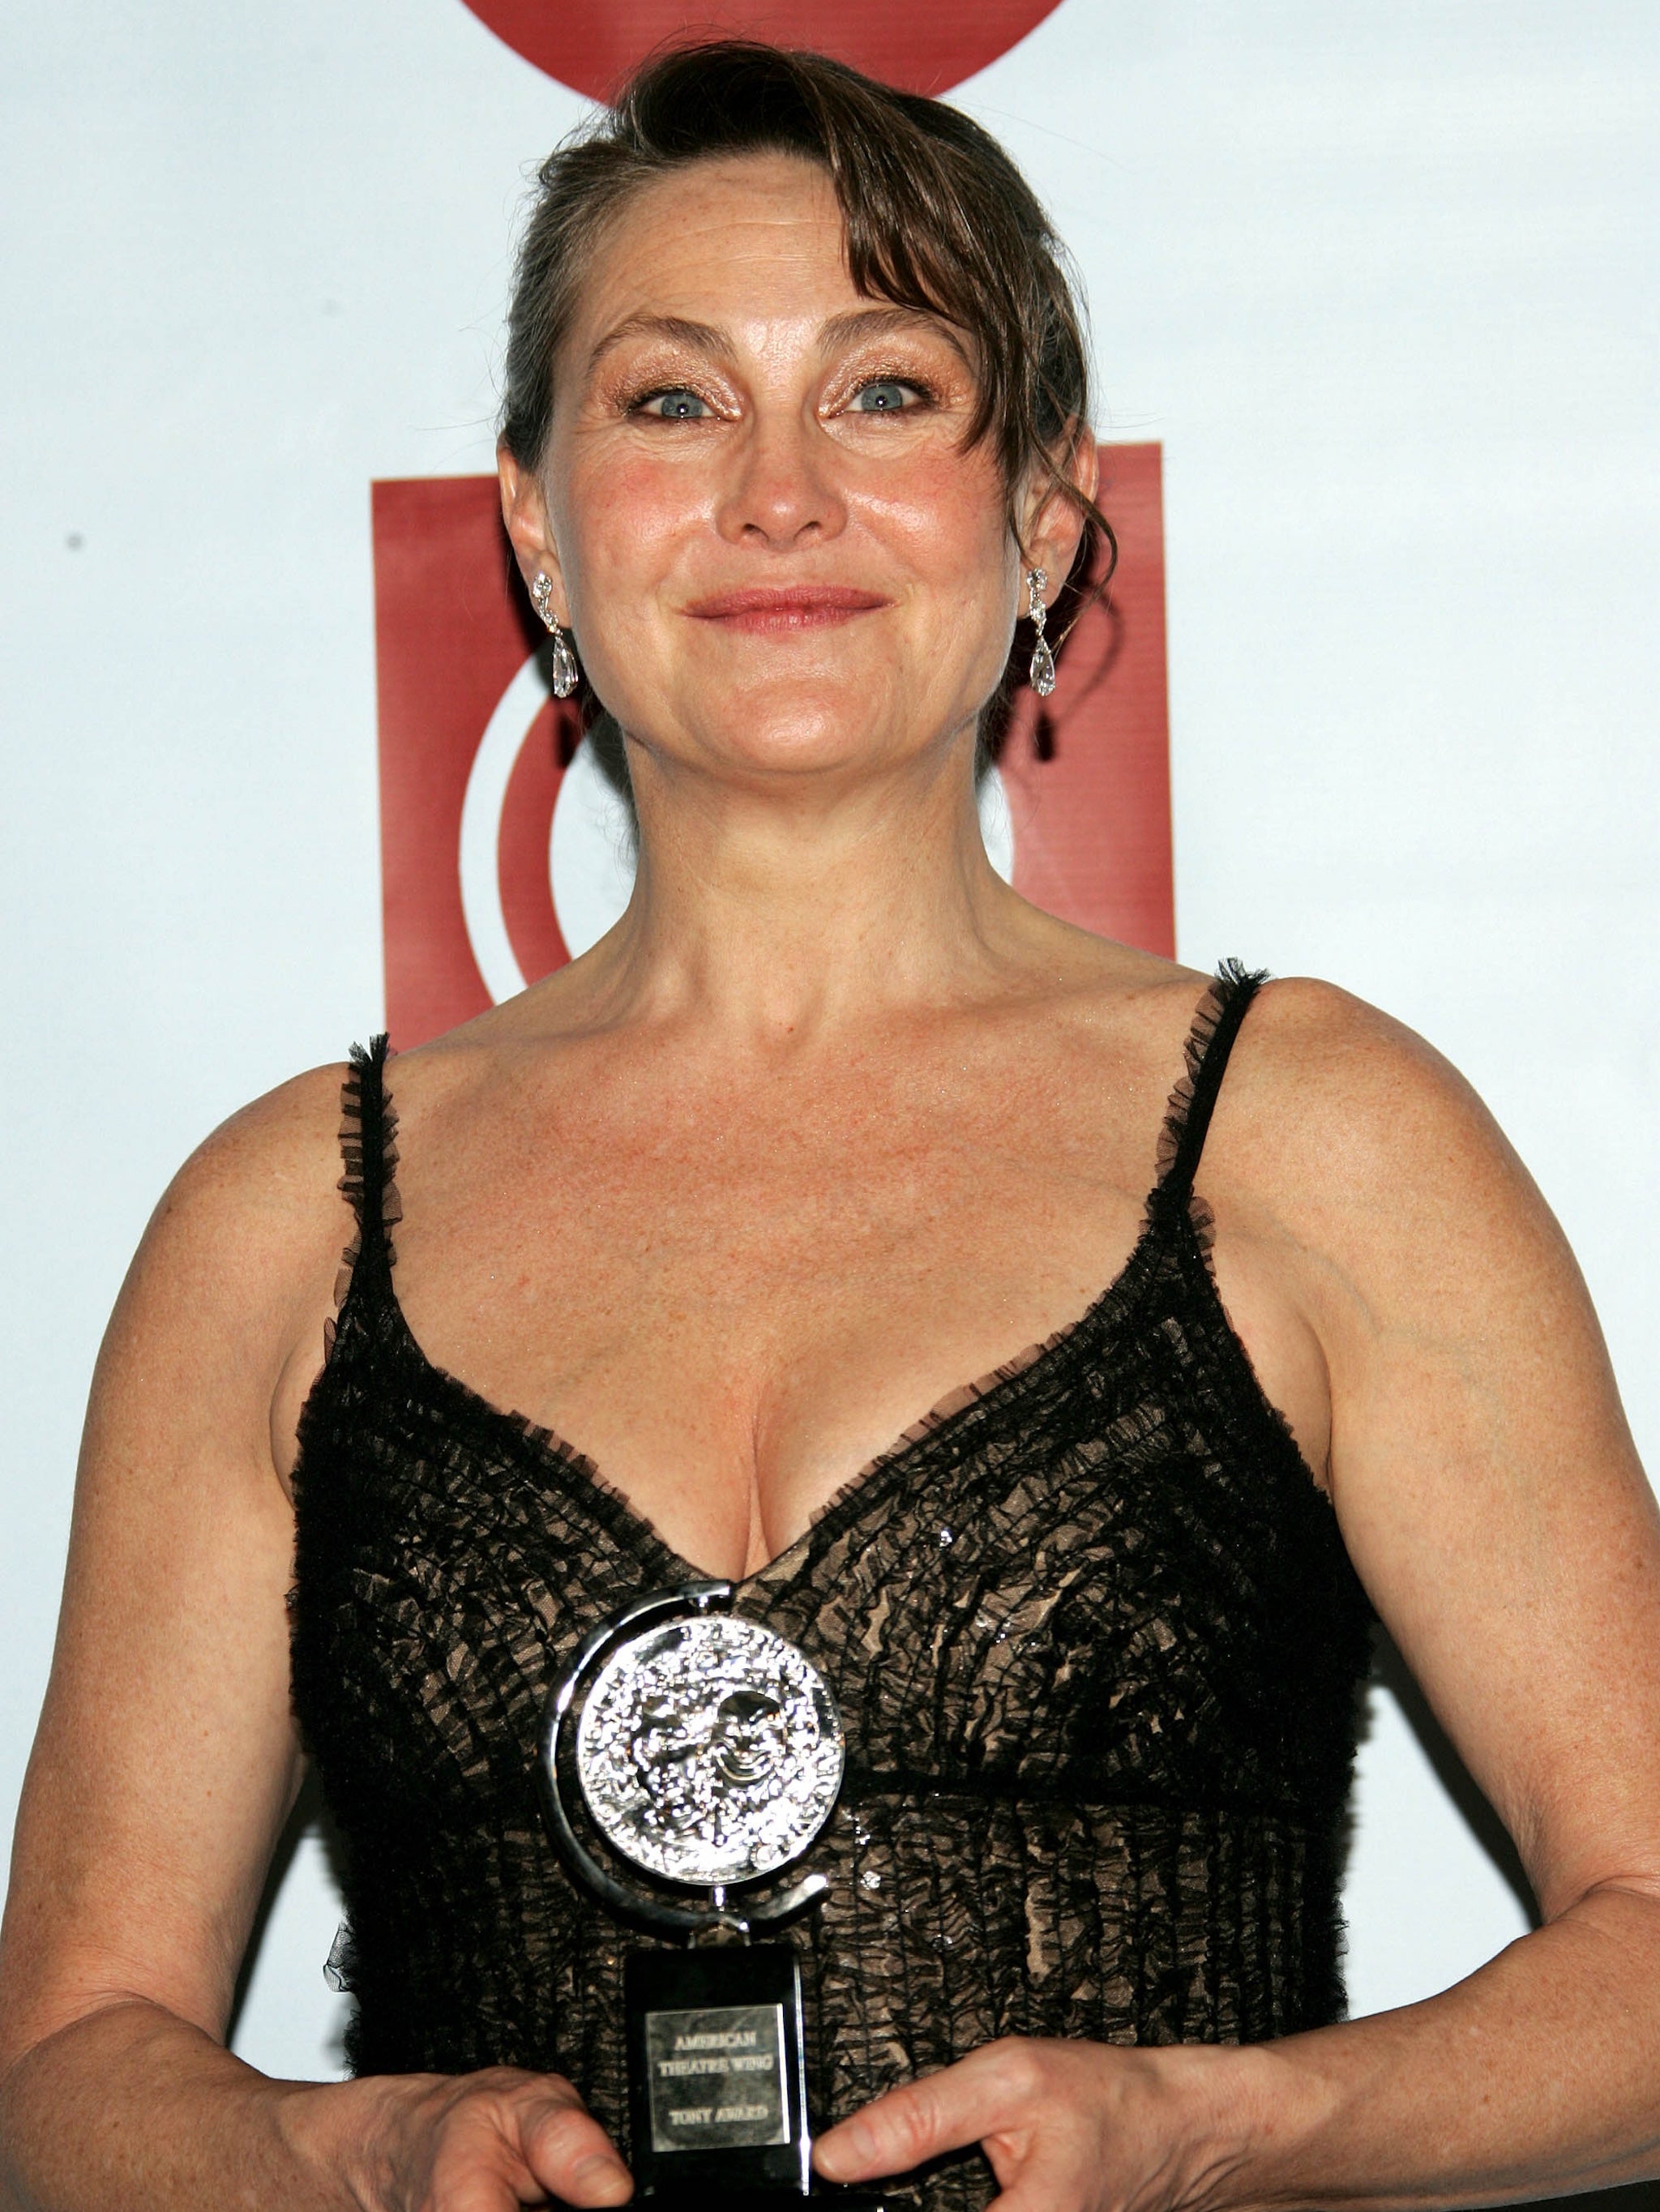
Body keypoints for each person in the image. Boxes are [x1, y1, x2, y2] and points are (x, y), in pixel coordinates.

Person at [2, 37, 1658, 2212]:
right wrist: (357, 2154)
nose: (780, 493)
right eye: (674, 400)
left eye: (883, 392)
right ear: (538, 522)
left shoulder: (1316, 1137)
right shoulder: (280, 1217)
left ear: (1046, 513)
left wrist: (1218, 2124)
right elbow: (65, 2071)